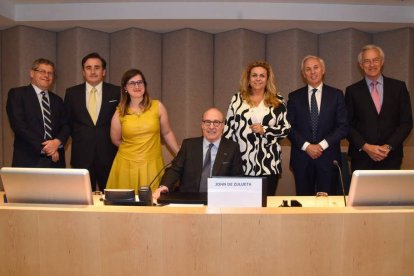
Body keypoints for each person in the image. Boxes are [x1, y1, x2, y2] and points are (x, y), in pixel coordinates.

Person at [106, 68, 180, 194]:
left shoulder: (158, 106)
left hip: (152, 165)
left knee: (153, 206)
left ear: (145, 85)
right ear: (125, 88)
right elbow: (115, 139)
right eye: (132, 83)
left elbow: (167, 133)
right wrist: (134, 151)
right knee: (124, 207)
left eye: (140, 82)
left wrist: (180, 154)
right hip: (126, 166)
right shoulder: (119, 112)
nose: (137, 86)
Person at [223, 60, 290, 196]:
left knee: (265, 206)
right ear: (248, 79)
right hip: (241, 162)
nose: (258, 79)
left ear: (267, 79)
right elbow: (228, 130)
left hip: (269, 163)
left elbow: (285, 129)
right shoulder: (237, 100)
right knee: (242, 206)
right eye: (254, 75)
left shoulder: (278, 100)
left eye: (262, 75)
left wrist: (265, 129)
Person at [287, 55, 348, 196]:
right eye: (308, 69)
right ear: (303, 74)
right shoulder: (294, 97)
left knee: (328, 205)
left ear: (323, 70)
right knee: (304, 203)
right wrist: (307, 146)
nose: (312, 72)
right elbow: (288, 127)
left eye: (316, 67)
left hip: (328, 158)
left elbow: (343, 126)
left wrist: (321, 146)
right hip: (302, 159)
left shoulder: (336, 95)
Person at [345, 44, 413, 171]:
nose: (372, 65)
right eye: (367, 61)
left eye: (376, 60)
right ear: (361, 65)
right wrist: (365, 147)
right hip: (362, 157)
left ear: (382, 62)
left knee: (391, 191)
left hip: (391, 156)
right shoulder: (352, 91)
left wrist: (388, 147)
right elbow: (346, 124)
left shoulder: (399, 88)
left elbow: (406, 122)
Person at [152, 107, 243, 200]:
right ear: (202, 125)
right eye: (207, 122)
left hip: (219, 200)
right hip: (189, 200)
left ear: (223, 126)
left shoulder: (232, 148)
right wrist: (164, 186)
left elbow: (237, 178)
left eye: (216, 122)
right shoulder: (189, 145)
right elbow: (174, 170)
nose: (211, 127)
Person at [64, 52, 120, 192]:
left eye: (97, 67)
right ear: (83, 72)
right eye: (88, 68)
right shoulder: (72, 93)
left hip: (109, 155)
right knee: (81, 199)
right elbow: (67, 123)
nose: (93, 71)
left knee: (111, 199)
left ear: (104, 71)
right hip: (81, 156)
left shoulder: (116, 92)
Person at [6, 58, 70, 168]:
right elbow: (19, 125)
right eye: (42, 71)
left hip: (55, 161)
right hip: (28, 159)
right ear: (32, 73)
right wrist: (47, 148)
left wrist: (57, 142)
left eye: (50, 73)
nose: (46, 75)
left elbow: (66, 125)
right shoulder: (17, 94)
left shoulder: (57, 100)